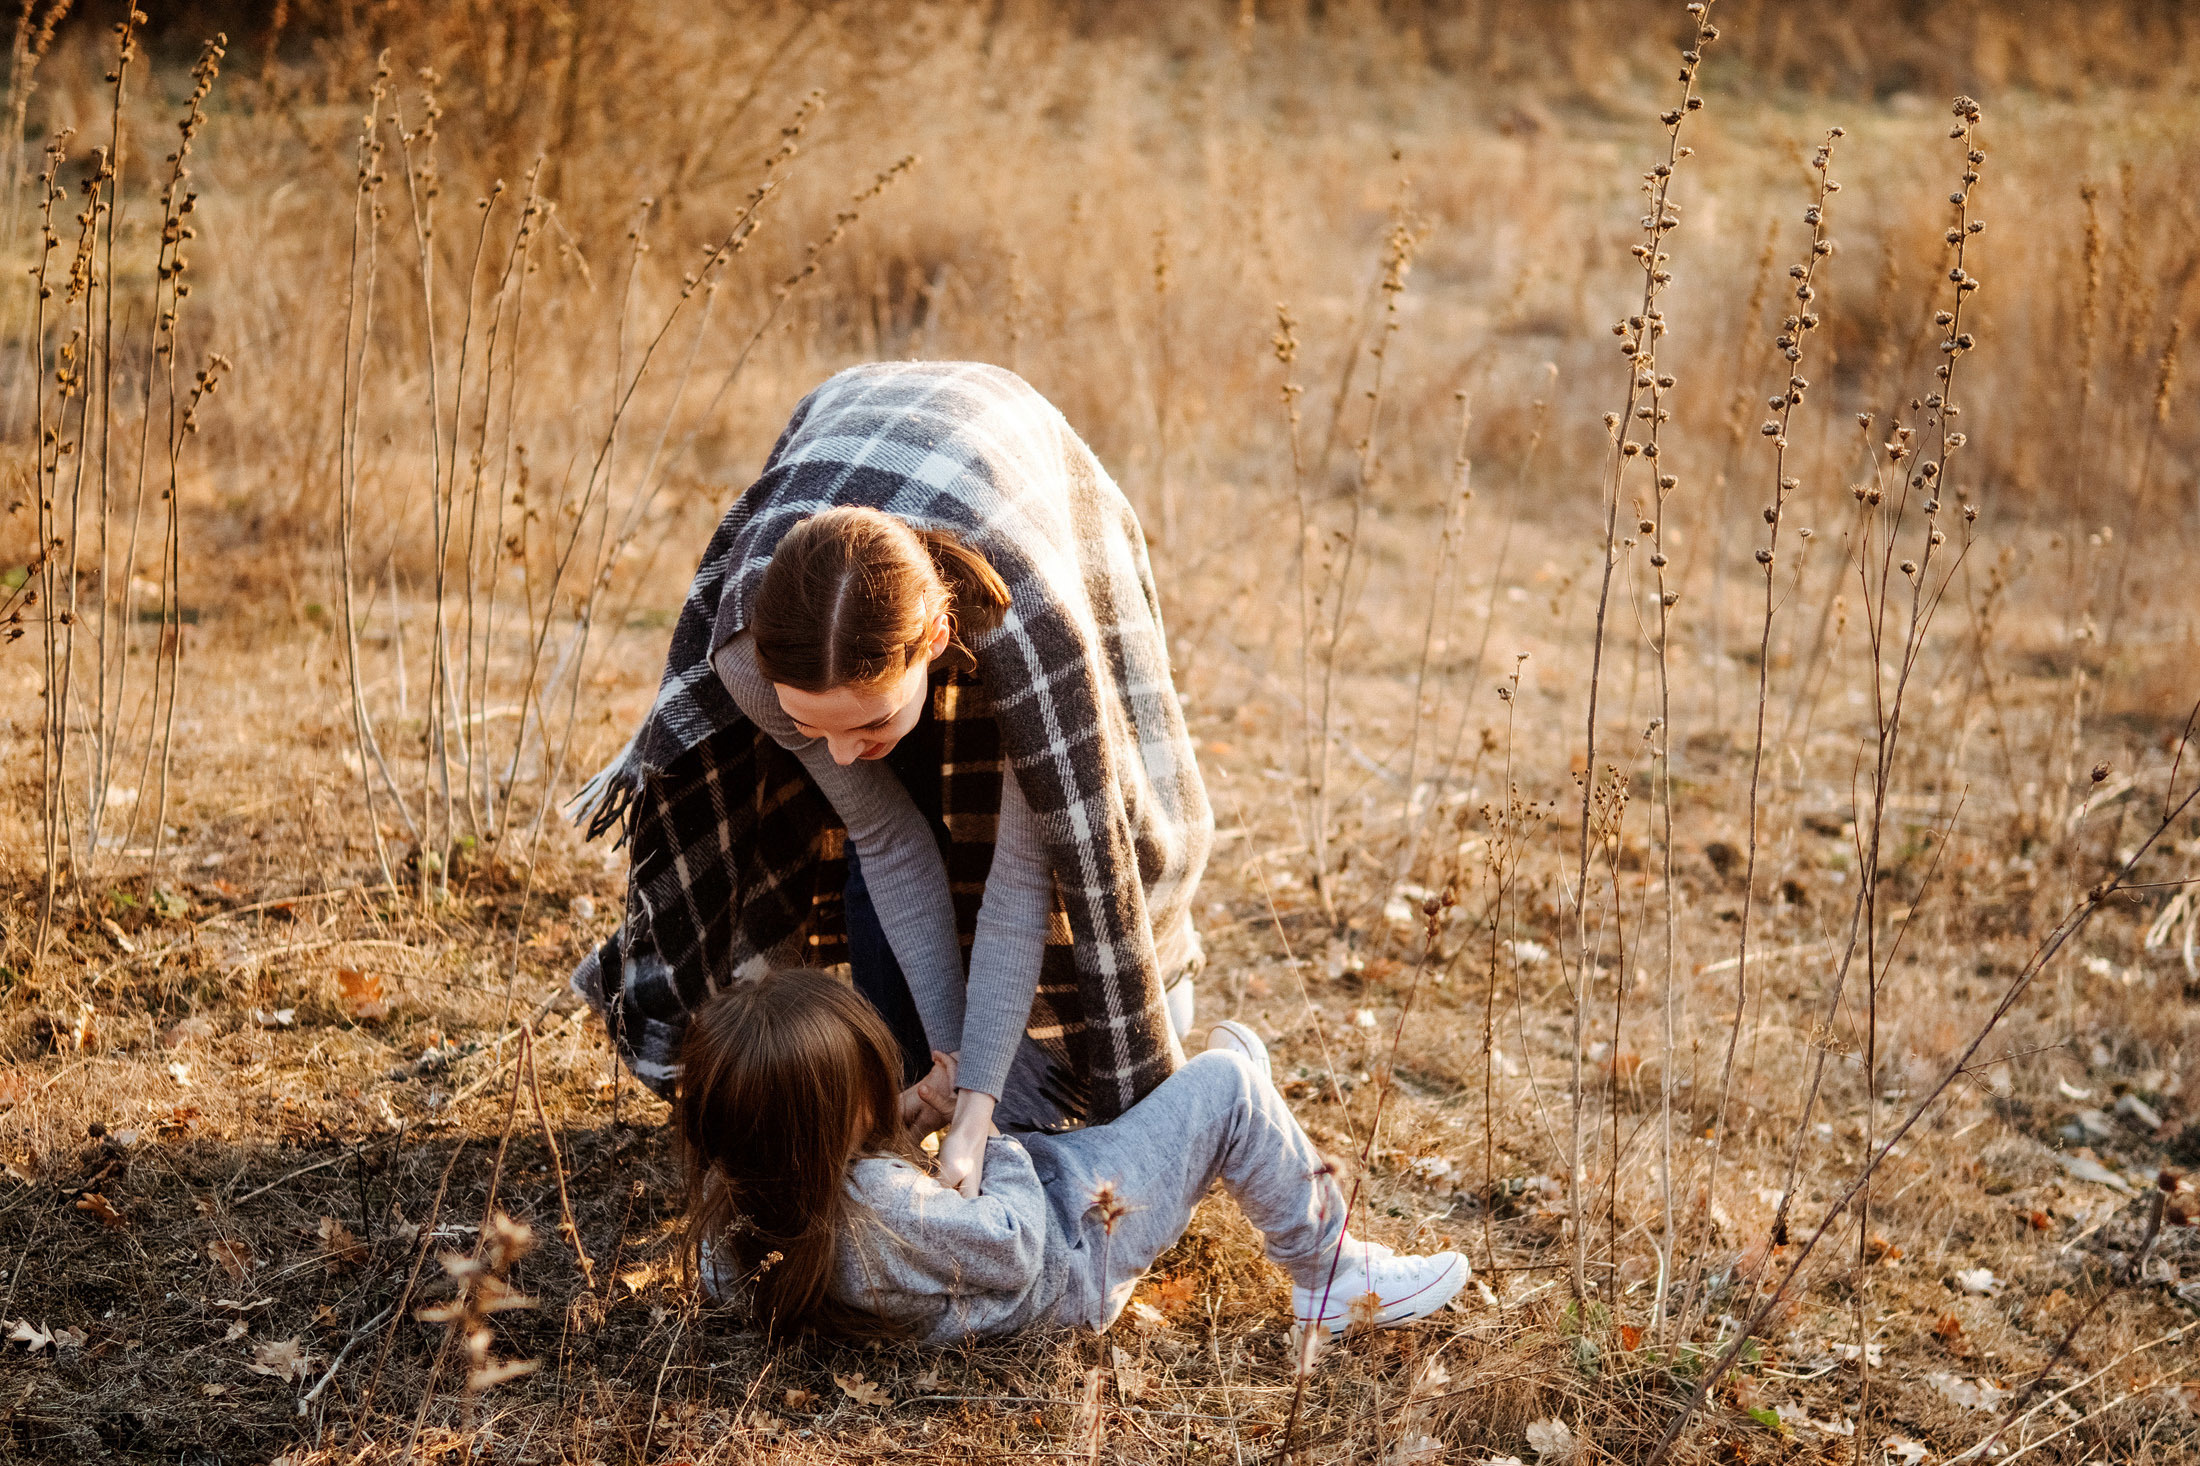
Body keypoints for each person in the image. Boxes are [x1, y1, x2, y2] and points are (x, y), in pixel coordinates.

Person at [571, 362, 1213, 1197]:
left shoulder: (1030, 638)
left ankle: (1013, 1059)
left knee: (1041, 875)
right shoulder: (748, 661)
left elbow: (1025, 877)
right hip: (850, 440)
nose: (840, 753)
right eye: (814, 726)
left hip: (1011, 461)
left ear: (940, 638)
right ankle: (917, 1058)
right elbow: (886, 839)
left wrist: (977, 1106)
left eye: (869, 721)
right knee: (882, 830)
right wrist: (947, 1059)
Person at [676, 968, 1470, 1343]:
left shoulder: (747, 1216)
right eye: (866, 1090)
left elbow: (864, 1201)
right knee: (1227, 1080)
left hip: (1055, 1217)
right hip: (1073, 1244)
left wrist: (917, 1111)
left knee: (1222, 1092)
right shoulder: (887, 1203)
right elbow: (1013, 1248)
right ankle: (1329, 1272)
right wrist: (989, 1141)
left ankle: (1245, 1132)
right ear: (826, 1127)